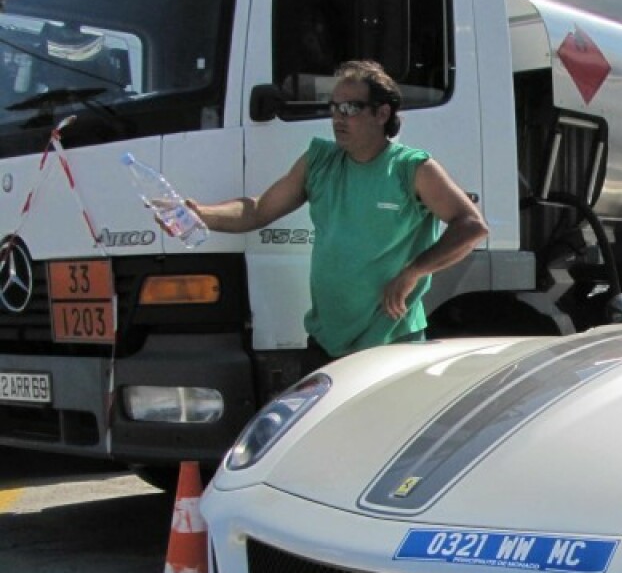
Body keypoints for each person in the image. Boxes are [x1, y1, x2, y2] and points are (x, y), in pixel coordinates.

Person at [188, 59, 488, 366]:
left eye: (350, 109)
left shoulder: (411, 168)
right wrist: (199, 213)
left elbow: (471, 226)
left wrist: (414, 271)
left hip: (390, 345)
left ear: (382, 113)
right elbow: (257, 211)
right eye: (333, 108)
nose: (337, 118)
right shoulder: (319, 160)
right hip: (324, 342)